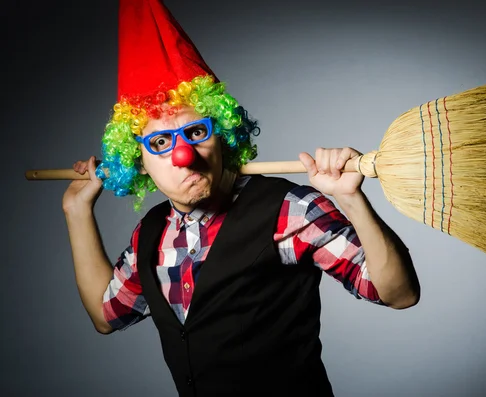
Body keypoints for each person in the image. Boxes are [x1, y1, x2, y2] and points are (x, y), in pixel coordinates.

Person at [62, 1, 420, 396]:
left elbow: (399, 294)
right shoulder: (149, 234)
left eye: (196, 133)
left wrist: (351, 199)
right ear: (138, 160)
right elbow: (106, 315)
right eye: (160, 142)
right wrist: (77, 210)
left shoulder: (290, 210)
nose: (183, 156)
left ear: (224, 136)